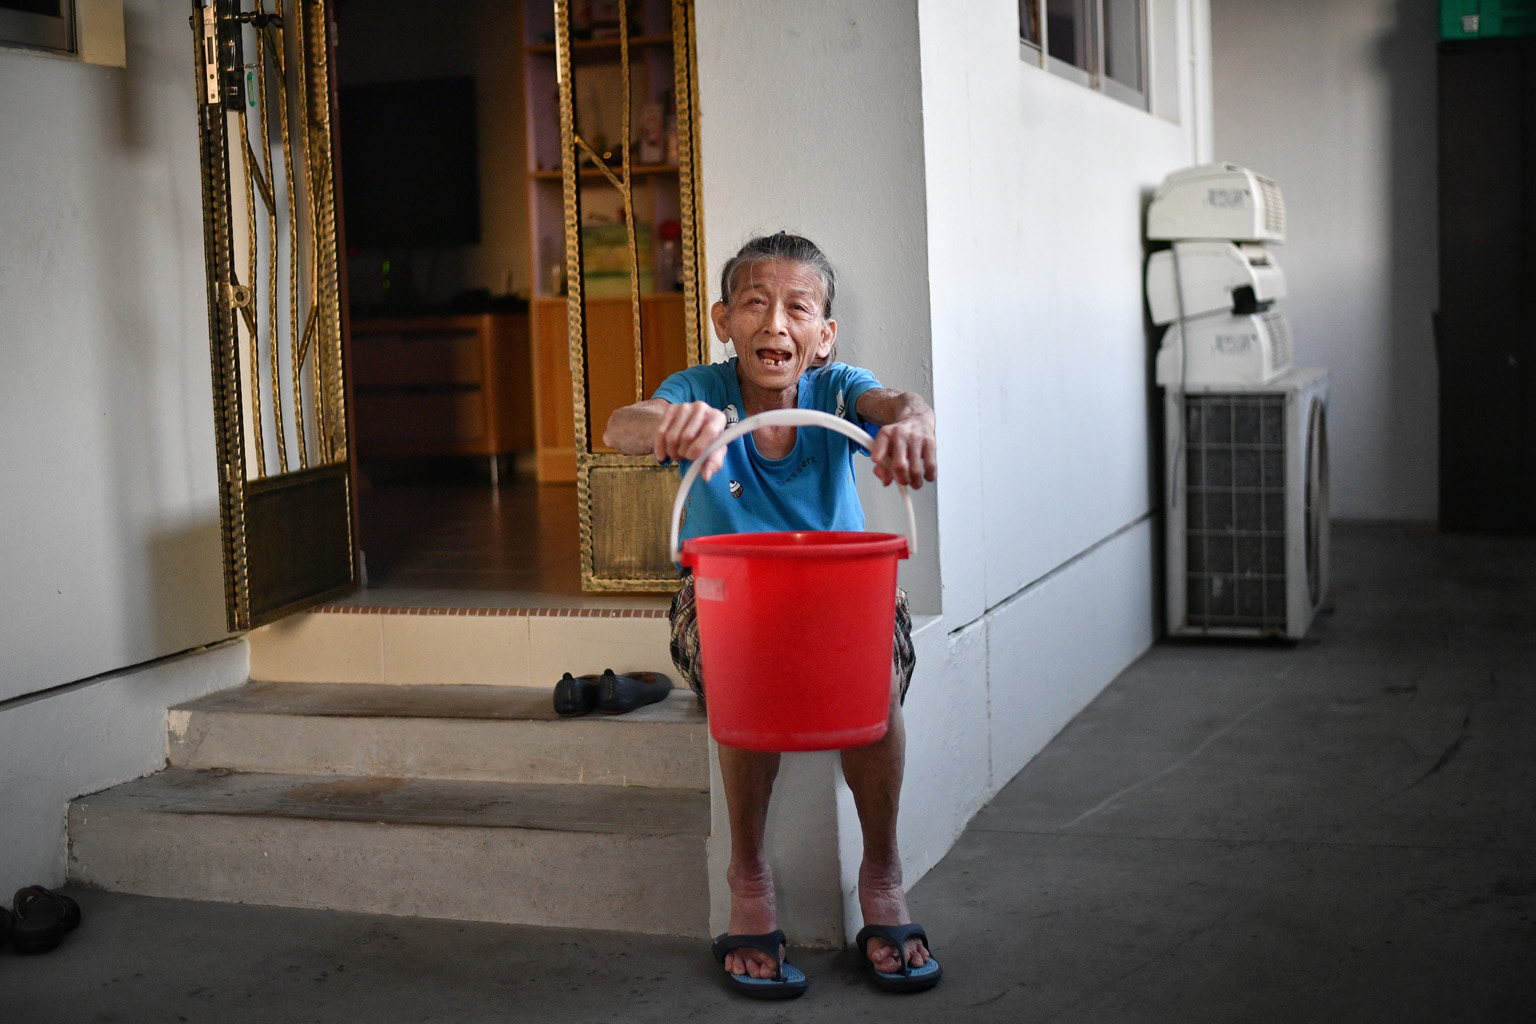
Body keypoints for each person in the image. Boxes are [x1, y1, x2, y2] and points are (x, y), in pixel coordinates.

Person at [603, 232, 941, 998]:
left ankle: (882, 878)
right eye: (755, 304)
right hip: (727, 601)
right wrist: (667, 426)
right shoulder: (701, 388)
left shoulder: (837, 389)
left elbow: (895, 403)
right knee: (743, 672)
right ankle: (748, 877)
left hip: (839, 599)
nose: (775, 325)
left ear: (823, 336)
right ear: (724, 319)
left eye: (798, 308)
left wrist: (913, 421)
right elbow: (621, 424)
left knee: (872, 688)